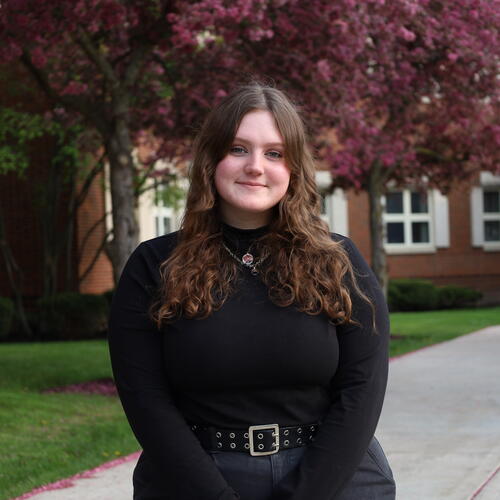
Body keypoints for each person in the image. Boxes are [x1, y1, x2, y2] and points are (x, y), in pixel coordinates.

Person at [108, 82, 396, 500]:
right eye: (238, 149)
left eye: (274, 153)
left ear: (294, 168)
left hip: (331, 480)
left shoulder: (338, 262)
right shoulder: (154, 266)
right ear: (211, 159)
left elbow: (362, 393)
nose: (256, 166)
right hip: (194, 482)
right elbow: (145, 401)